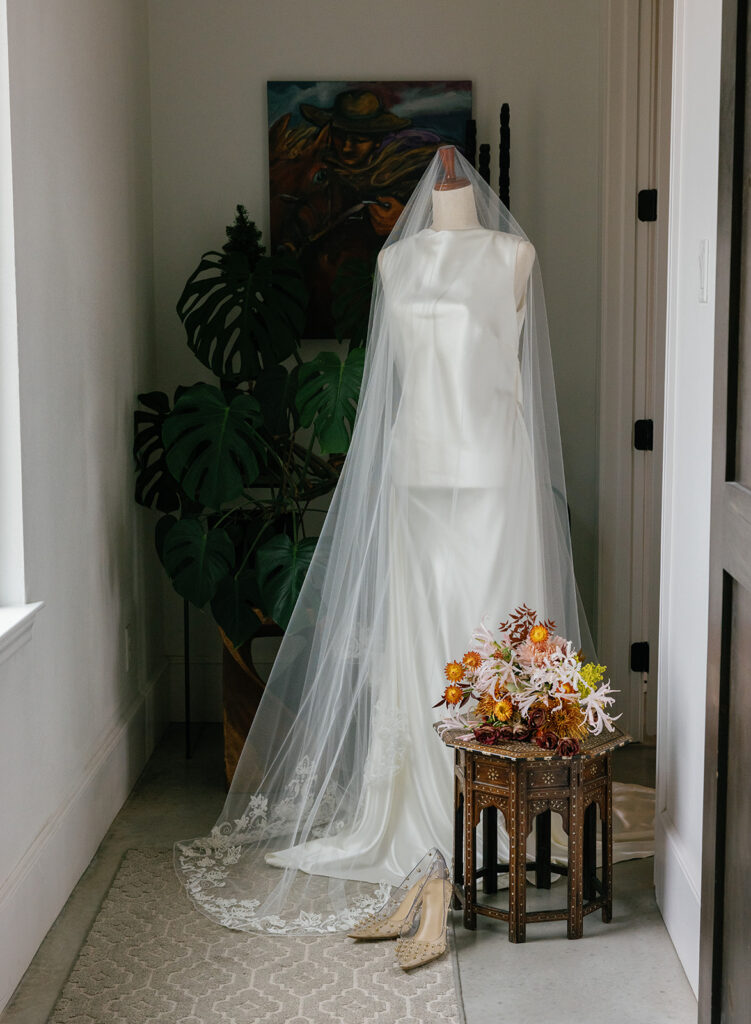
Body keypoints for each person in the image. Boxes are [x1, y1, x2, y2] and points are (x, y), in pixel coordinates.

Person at [174, 149, 652, 936]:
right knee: (424, 642)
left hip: (497, 477)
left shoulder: (513, 256)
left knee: (495, 634)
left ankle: (503, 806)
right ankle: (421, 804)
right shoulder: (397, 265)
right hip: (417, 477)